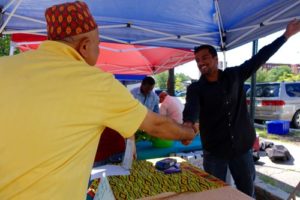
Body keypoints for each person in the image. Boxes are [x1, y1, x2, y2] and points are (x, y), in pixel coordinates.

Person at [0, 2, 197, 200]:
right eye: (98, 44)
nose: (99, 50)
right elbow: (156, 125)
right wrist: (187, 132)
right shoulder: (96, 83)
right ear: (84, 46)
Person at [183, 19, 300, 197]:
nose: (200, 63)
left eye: (205, 58)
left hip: (241, 148)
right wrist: (188, 125)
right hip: (214, 151)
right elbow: (191, 109)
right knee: (215, 194)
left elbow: (260, 57)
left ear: (216, 58)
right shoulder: (196, 89)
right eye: (197, 60)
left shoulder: (234, 75)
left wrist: (285, 36)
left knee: (246, 192)